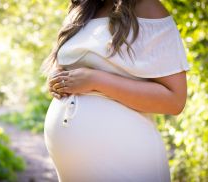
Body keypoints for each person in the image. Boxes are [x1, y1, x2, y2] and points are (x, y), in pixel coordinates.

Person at [41, 0, 190, 181]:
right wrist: (56, 77)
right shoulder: (83, 10)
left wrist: (96, 80)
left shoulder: (148, 7)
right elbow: (65, 64)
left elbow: (174, 100)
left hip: (127, 158)